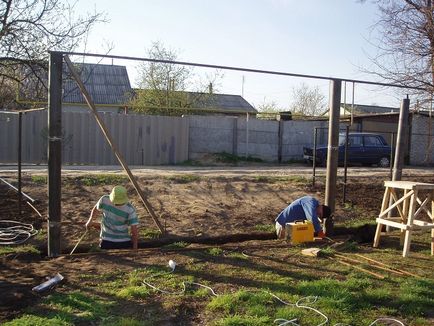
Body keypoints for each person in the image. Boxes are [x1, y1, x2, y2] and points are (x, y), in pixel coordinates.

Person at [86, 185, 139, 250]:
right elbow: (96, 209)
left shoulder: (130, 210)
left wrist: (135, 246)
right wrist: (90, 220)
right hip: (107, 239)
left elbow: (134, 230)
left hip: (122, 241)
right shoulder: (104, 199)